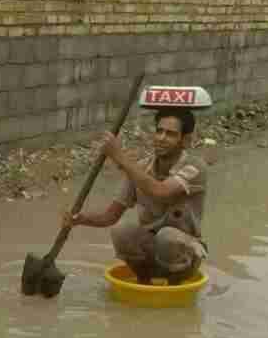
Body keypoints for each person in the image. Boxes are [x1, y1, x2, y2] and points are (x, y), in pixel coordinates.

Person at [63, 106, 207, 284]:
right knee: (122, 231)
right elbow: (109, 217)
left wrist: (119, 156)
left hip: (184, 256)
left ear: (185, 140)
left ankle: (173, 288)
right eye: (159, 131)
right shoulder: (141, 168)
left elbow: (160, 191)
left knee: (167, 237)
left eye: (170, 134)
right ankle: (143, 283)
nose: (161, 138)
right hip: (152, 252)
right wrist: (80, 219)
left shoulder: (194, 167)